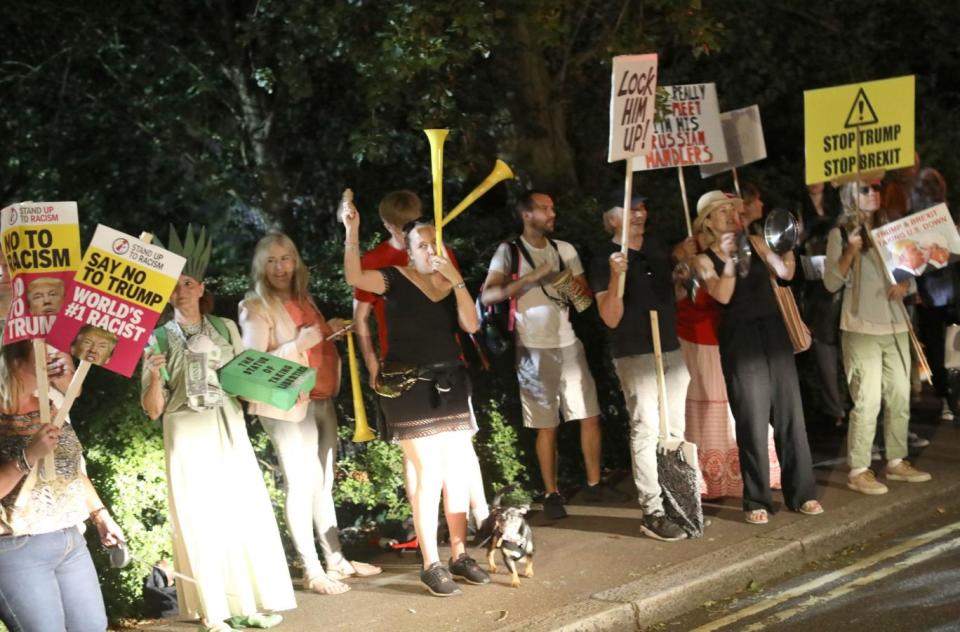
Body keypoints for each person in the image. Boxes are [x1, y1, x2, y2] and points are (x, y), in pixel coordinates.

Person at [142, 226, 295, 631]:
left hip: (227, 427)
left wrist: (285, 388)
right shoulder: (156, 340)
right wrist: (154, 377)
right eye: (173, 287)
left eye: (187, 283)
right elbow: (153, 411)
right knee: (201, 518)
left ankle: (247, 603)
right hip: (186, 433)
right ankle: (213, 611)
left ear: (200, 286)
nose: (181, 292)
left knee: (240, 512)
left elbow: (248, 379)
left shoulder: (226, 327)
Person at [343, 198, 491, 597]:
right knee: (428, 471)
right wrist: (351, 230)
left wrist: (458, 281)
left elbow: (472, 324)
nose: (430, 252)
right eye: (422, 246)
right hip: (407, 386)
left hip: (450, 383)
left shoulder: (448, 283)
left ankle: (459, 555)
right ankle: (431, 562)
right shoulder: (392, 277)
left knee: (457, 469)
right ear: (408, 252)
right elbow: (354, 274)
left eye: (435, 245)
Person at [239, 232, 381, 596]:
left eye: (285, 258)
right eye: (271, 260)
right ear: (260, 266)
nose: (279, 267)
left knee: (323, 484)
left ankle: (335, 560)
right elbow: (254, 365)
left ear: (296, 261)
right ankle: (311, 569)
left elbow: (310, 342)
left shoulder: (304, 298)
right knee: (302, 485)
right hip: (286, 407)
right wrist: (297, 344)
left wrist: (327, 333)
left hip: (320, 398)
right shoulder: (254, 305)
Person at [481, 191, 624, 521]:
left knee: (589, 415)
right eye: (545, 208)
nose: (552, 213)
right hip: (531, 347)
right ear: (527, 215)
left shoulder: (565, 250)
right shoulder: (509, 251)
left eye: (553, 207)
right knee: (546, 426)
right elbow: (489, 294)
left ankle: (593, 483)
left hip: (568, 343)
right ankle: (551, 493)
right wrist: (528, 279)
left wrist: (564, 283)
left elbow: (585, 302)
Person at [694, 190, 823, 524]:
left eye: (731, 210)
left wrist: (788, 248)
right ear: (707, 220)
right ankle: (756, 500)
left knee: (789, 416)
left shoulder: (755, 240)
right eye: (721, 211)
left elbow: (785, 273)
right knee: (751, 421)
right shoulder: (704, 259)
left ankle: (803, 494)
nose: (729, 215)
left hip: (774, 334)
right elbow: (722, 295)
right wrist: (731, 261)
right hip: (740, 342)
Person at [0, 340, 125, 632]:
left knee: (92, 627)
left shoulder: (53, 403)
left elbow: (71, 469)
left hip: (70, 541)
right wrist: (28, 456)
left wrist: (100, 515)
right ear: (17, 354)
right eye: (47, 345)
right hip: (16, 546)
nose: (60, 353)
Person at [590, 197, 690, 541]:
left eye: (643, 208)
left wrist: (680, 277)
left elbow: (671, 298)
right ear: (611, 218)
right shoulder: (605, 259)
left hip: (671, 348)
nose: (640, 214)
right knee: (646, 429)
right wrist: (618, 277)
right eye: (631, 208)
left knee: (675, 428)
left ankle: (679, 499)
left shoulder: (658, 248)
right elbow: (610, 316)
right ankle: (653, 511)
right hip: (634, 353)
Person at [824, 178, 933, 495]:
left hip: (896, 324)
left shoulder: (891, 230)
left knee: (900, 395)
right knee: (866, 399)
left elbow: (909, 274)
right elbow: (831, 282)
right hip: (861, 328)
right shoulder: (841, 234)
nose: (874, 194)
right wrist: (851, 251)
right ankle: (858, 469)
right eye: (865, 190)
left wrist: (905, 286)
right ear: (849, 196)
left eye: (875, 189)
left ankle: (896, 461)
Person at [673, 226, 782, 501]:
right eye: (722, 212)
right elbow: (680, 296)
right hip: (697, 339)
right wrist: (684, 263)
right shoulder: (690, 251)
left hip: (728, 336)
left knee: (739, 407)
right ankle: (711, 480)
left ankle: (746, 475)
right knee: (710, 408)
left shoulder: (733, 248)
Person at [796, 182, 847, 428]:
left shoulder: (838, 202)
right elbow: (795, 244)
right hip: (815, 285)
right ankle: (833, 408)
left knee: (846, 347)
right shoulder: (797, 206)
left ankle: (850, 402)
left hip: (842, 280)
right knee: (823, 347)